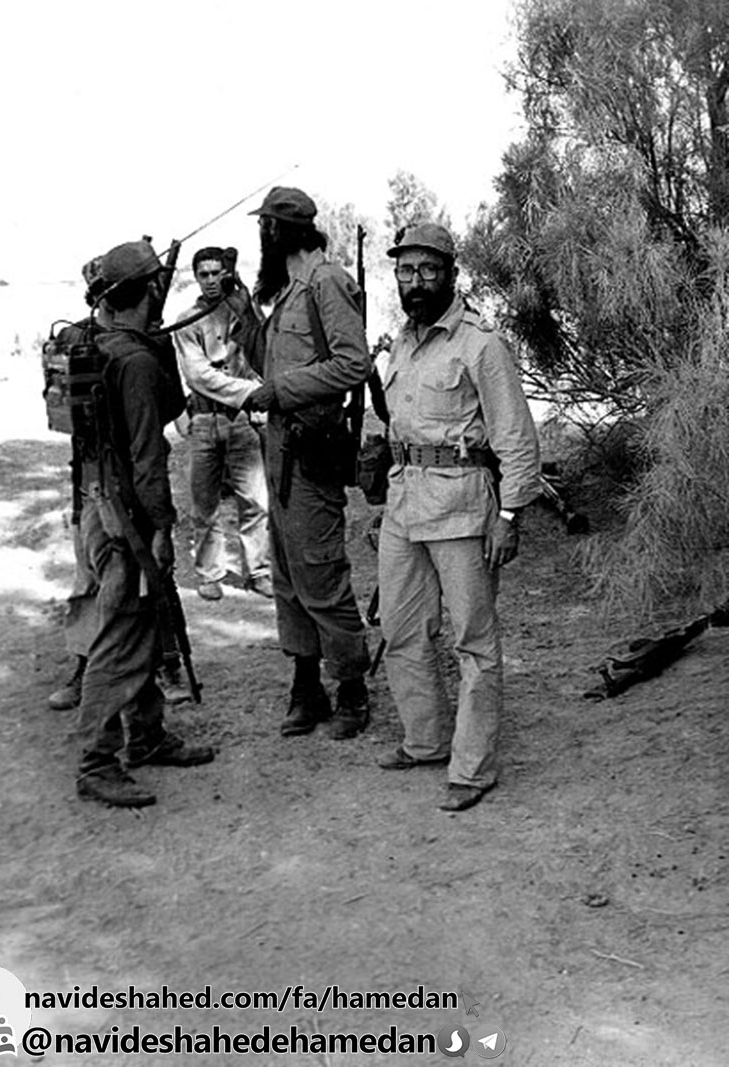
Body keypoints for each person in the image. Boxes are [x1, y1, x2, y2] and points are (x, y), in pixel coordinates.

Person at [376, 222, 541, 811]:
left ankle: (472, 768)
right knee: (401, 631)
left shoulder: (480, 345)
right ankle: (425, 740)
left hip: (462, 509)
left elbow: (516, 437)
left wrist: (511, 514)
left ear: (451, 274)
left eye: (428, 270)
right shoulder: (401, 342)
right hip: (404, 505)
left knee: (474, 642)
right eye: (406, 271)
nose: (416, 282)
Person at [228, 186, 372, 740]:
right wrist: (245, 316)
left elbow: (353, 364)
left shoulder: (326, 282)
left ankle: (352, 690)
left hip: (312, 452)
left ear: (277, 231)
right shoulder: (289, 290)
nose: (261, 237)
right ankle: (306, 686)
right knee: (288, 575)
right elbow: (270, 364)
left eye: (264, 227)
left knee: (320, 573)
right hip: (280, 452)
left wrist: (282, 391)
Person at [75, 240, 214, 808]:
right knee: (122, 635)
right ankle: (96, 761)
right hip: (126, 518)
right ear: (151, 290)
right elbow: (146, 457)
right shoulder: (134, 362)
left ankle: (148, 735)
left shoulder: (100, 342)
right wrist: (161, 528)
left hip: (98, 504)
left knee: (146, 624)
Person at [48, 257, 192, 711]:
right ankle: (97, 742)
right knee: (114, 606)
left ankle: (153, 706)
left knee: (140, 600)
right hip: (114, 495)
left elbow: (167, 409)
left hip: (101, 489)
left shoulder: (111, 342)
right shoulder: (118, 352)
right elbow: (147, 450)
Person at [173, 246, 272, 601]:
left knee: (256, 501)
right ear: (196, 278)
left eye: (217, 273)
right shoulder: (187, 322)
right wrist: (252, 392)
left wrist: (248, 310)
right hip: (204, 420)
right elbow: (198, 375)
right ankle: (209, 573)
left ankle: (258, 570)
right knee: (205, 505)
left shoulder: (242, 312)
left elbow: (263, 353)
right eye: (205, 274)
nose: (212, 280)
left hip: (241, 421)